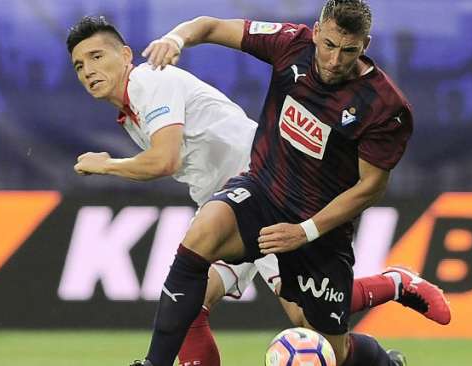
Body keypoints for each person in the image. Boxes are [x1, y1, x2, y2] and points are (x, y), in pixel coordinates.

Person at [65, 8, 447, 366]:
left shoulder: (148, 81)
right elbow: (208, 27)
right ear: (317, 35)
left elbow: (164, 160)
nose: (88, 71)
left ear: (127, 54)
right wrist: (179, 37)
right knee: (191, 297)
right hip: (231, 194)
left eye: (97, 57)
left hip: (268, 186)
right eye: (80, 65)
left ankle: (394, 286)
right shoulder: (132, 110)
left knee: (314, 328)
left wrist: (107, 165)